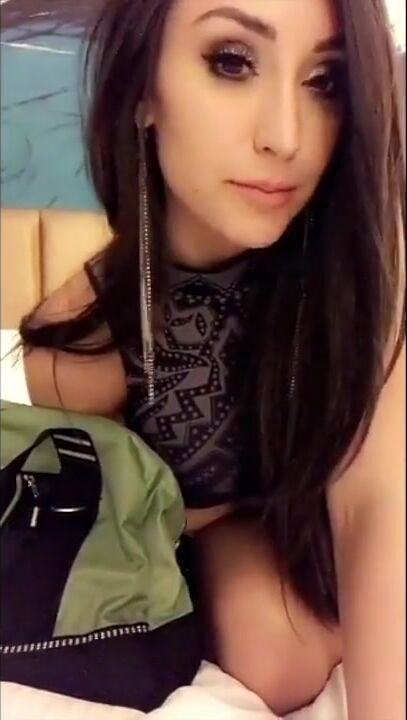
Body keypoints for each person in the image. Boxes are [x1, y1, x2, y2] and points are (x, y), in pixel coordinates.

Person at [19, 0, 405, 716]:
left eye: (323, 81)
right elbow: (132, 539)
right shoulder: (78, 347)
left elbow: (377, 506)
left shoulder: (364, 265)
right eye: (232, 62)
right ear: (142, 92)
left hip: (366, 496)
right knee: (271, 643)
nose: (285, 137)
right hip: (241, 540)